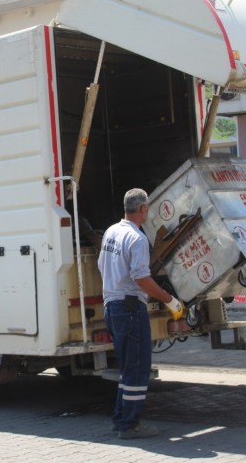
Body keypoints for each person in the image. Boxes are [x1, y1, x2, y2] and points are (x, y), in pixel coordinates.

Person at [98, 188, 185, 439]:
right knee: (137, 370)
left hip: (112, 306)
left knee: (127, 368)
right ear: (143, 209)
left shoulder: (111, 232)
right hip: (131, 309)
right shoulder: (137, 239)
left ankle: (120, 418)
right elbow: (141, 278)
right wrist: (170, 301)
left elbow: (100, 265)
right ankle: (130, 425)